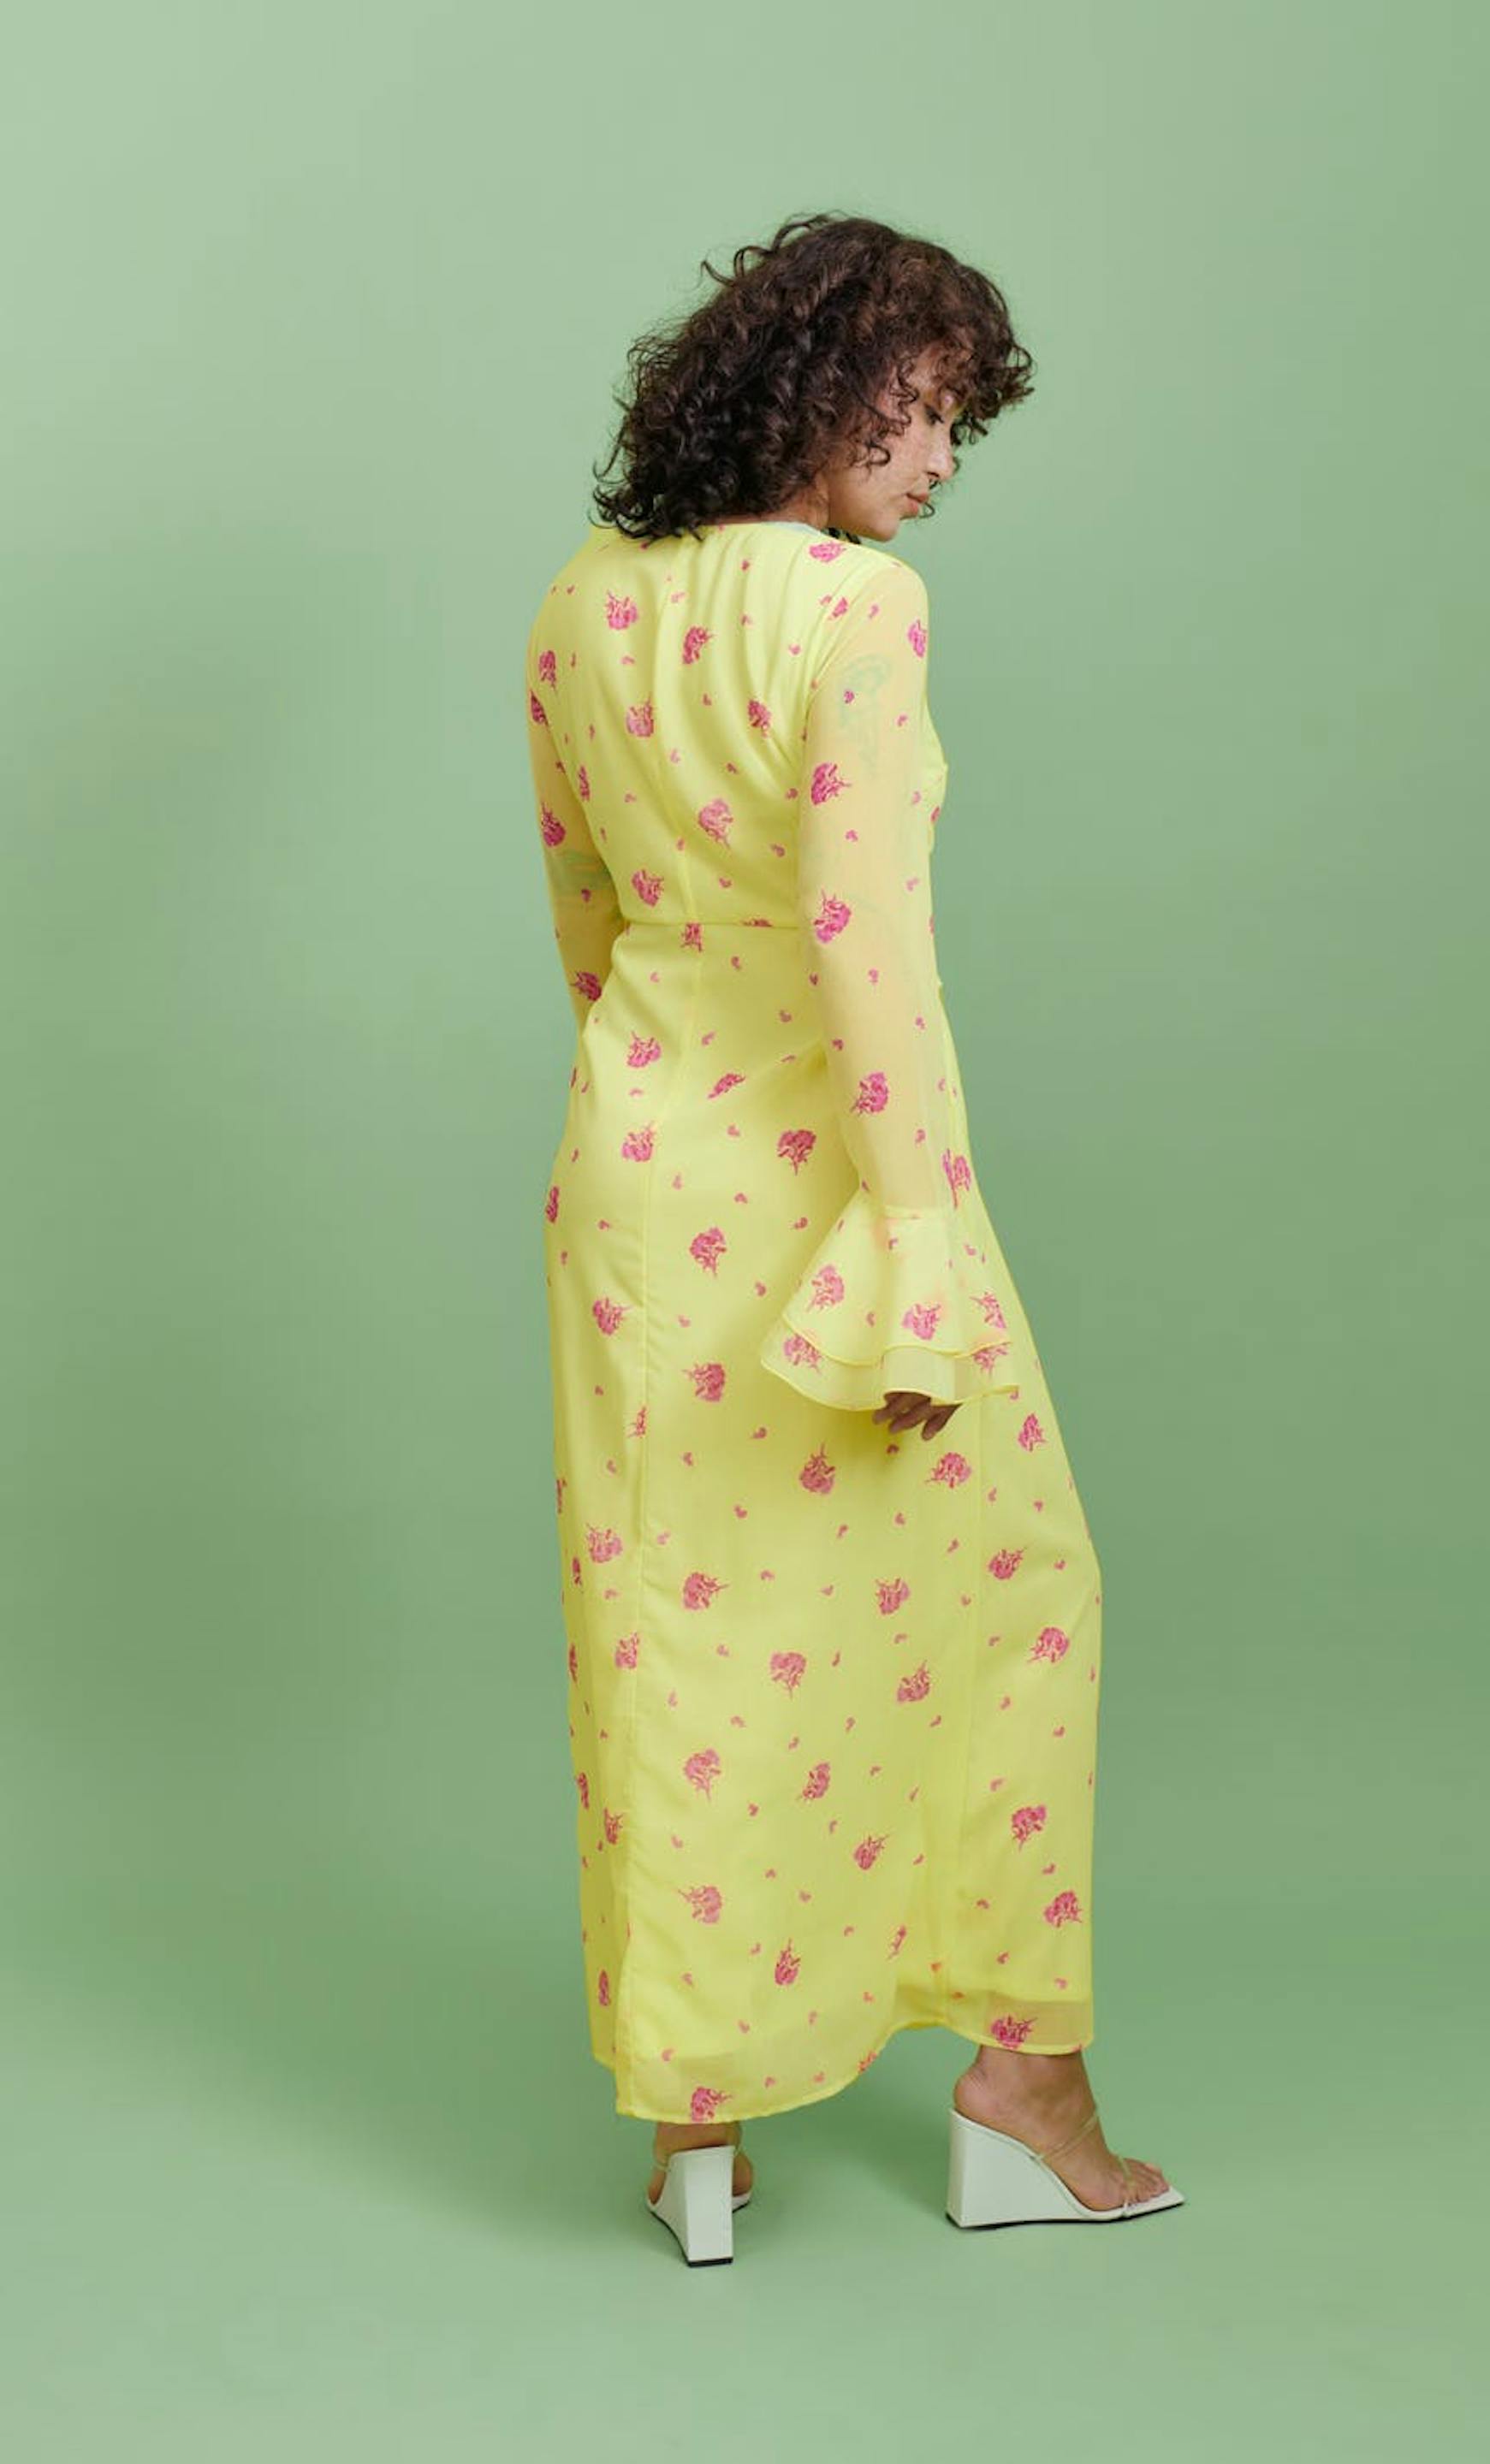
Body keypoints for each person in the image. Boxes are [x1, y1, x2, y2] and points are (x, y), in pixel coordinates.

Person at [522, 211, 1181, 2262]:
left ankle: (694, 2137)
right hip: (841, 1181)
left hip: (640, 1179)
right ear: (812, 391)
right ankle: (1024, 2083)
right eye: (920, 408)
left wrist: (654, 1095)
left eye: (963, 420)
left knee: (675, 1646)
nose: (944, 457)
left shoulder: (581, 602)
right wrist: (915, 1249)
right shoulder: (854, 611)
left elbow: (582, 909)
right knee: (1027, 1597)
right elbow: (868, 950)